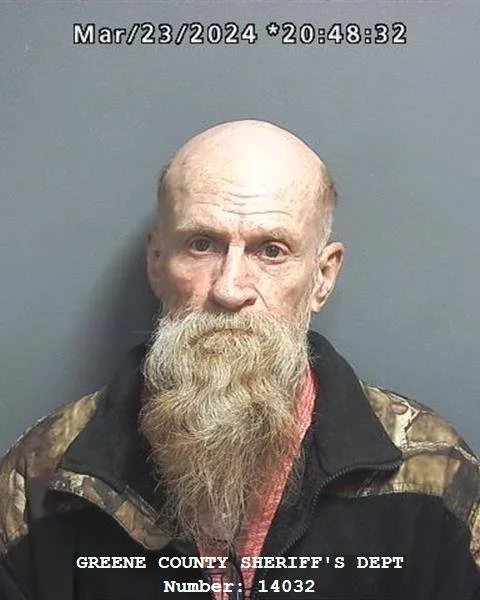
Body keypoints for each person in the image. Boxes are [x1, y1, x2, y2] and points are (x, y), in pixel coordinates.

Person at [0, 119, 479, 600]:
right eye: (201, 244)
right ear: (156, 260)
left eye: (271, 251)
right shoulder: (40, 478)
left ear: (323, 277)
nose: (229, 289)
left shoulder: (435, 474)